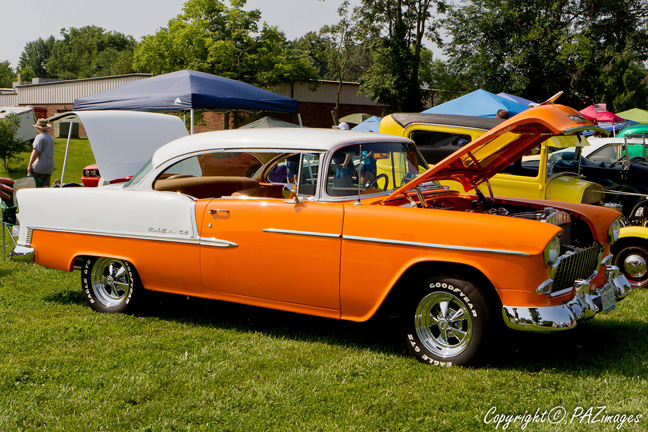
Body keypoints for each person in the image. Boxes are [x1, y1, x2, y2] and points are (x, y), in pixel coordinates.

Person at [27, 119, 55, 187]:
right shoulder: (50, 137)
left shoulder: (39, 137)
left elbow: (36, 151)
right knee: (45, 185)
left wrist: (30, 164)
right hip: (50, 165)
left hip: (40, 164)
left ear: (38, 128)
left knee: (29, 183)